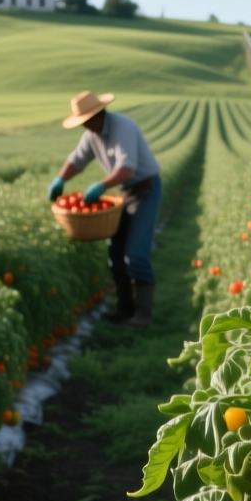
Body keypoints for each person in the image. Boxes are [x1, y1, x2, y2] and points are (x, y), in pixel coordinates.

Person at [50, 91, 163, 327]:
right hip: (125, 192)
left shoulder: (123, 127)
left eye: (86, 121)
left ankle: (143, 315)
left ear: (98, 115)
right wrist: (60, 179)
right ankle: (124, 309)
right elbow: (76, 160)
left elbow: (127, 168)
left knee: (136, 253)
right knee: (116, 252)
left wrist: (101, 185)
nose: (84, 127)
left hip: (146, 189)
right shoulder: (92, 135)